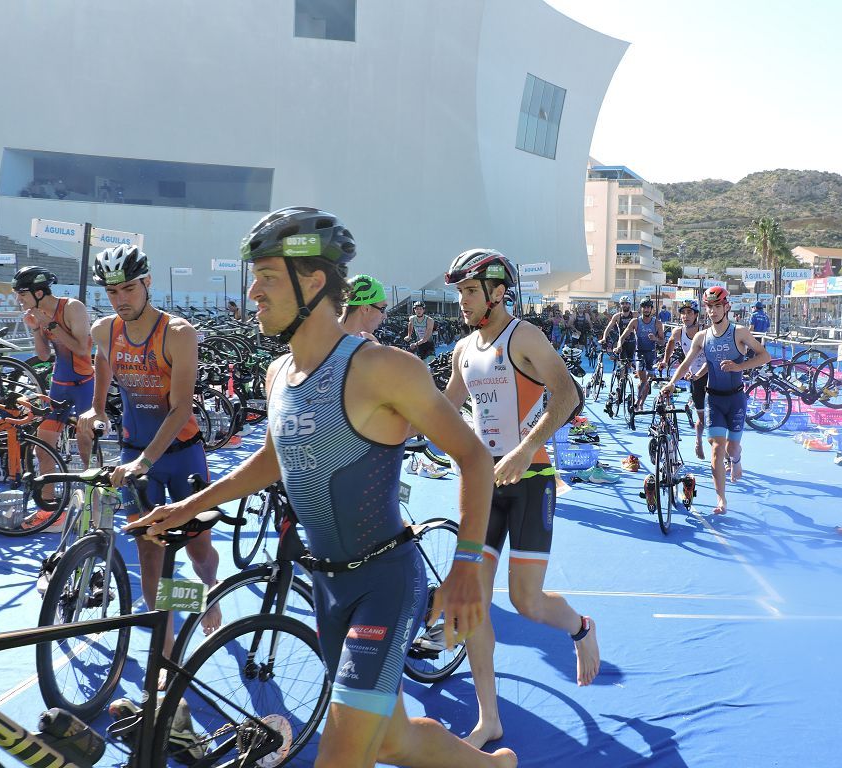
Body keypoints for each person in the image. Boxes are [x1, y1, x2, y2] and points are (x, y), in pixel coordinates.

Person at [126, 208, 515, 768]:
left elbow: (475, 458)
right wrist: (189, 505)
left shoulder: (382, 367)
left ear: (313, 282)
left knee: (338, 758)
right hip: (327, 586)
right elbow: (270, 460)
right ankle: (494, 766)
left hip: (384, 582)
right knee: (391, 740)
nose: (252, 290)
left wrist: (465, 567)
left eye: (267, 276)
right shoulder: (278, 372)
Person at [443, 249, 599, 749]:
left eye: (469, 292)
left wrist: (526, 448)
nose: (462, 303)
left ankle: (580, 627)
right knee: (474, 604)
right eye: (460, 293)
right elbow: (446, 406)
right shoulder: (463, 350)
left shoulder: (523, 337)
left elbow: (567, 395)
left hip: (531, 481)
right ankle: (490, 718)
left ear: (497, 292)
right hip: (484, 487)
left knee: (525, 601)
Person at [77, 244, 222, 673]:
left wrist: (146, 461)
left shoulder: (178, 332)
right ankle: (168, 647)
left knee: (198, 549)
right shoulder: (105, 328)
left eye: (127, 288)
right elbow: (103, 364)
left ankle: (209, 590)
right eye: (111, 291)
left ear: (147, 283)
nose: (120, 299)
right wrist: (97, 408)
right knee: (150, 553)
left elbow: (180, 408)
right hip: (133, 453)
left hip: (181, 455)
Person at [661, 286, 770, 515]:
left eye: (717, 306)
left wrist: (739, 366)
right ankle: (721, 500)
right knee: (717, 450)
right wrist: (672, 382)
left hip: (736, 398)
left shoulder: (739, 332)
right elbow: (686, 363)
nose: (713, 311)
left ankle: (737, 458)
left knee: (731, 448)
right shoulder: (702, 337)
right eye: (709, 307)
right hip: (714, 399)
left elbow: (764, 355)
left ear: (726, 307)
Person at [15, 267, 94, 525]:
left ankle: (90, 490)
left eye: (22, 294)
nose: (19, 299)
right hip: (59, 384)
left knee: (84, 440)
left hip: (83, 383)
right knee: (43, 445)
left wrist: (49, 323)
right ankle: (50, 509)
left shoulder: (73, 308)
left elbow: (82, 348)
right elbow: (45, 355)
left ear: (39, 292)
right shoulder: (37, 313)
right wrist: (37, 329)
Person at [662, 299, 707, 460]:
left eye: (689, 313)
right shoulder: (678, 332)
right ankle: (698, 440)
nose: (685, 316)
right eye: (683, 313)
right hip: (695, 377)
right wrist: (665, 360)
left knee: (717, 418)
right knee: (701, 418)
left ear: (696, 315)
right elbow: (670, 344)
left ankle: (726, 457)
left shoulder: (705, 331)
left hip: (711, 375)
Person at [615, 298, 664, 410]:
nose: (646, 310)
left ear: (652, 309)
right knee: (643, 380)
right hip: (639, 354)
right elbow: (623, 336)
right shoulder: (635, 321)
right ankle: (637, 401)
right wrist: (619, 346)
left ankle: (641, 402)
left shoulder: (657, 323)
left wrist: (655, 339)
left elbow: (662, 341)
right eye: (644, 307)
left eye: (648, 307)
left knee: (648, 382)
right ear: (641, 309)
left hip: (651, 355)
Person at [340, 274, 388, 342]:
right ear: (365, 308)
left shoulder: (370, 340)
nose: (385, 316)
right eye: (382, 309)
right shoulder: (369, 344)